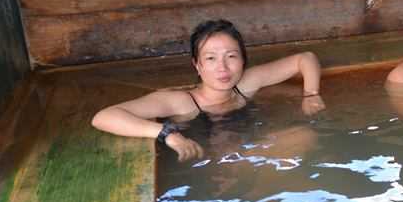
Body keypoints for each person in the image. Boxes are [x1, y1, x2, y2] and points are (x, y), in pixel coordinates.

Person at [92, 19, 324, 161]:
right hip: (212, 163)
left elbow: (306, 58)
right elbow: (104, 117)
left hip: (247, 155)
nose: (222, 68)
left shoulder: (244, 85)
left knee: (305, 135)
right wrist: (168, 134)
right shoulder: (181, 102)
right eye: (211, 58)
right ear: (197, 64)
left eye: (231, 56)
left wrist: (311, 94)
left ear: (243, 60)